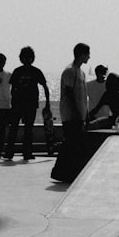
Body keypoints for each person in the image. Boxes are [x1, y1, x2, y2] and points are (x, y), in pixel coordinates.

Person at [51, 43, 91, 183]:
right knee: (70, 143)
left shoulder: (82, 73)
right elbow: (69, 94)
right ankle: (60, 172)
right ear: (81, 54)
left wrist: (86, 114)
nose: (89, 57)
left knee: (75, 144)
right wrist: (75, 113)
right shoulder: (69, 71)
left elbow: (83, 96)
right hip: (71, 115)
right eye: (87, 54)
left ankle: (69, 172)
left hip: (80, 115)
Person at [4, 46, 50, 161]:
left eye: (29, 57)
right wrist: (12, 103)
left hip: (31, 104)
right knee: (13, 128)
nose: (27, 60)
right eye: (25, 57)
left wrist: (48, 103)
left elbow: (45, 86)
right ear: (21, 58)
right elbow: (12, 88)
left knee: (28, 129)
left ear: (32, 58)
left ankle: (27, 153)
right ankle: (9, 152)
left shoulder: (36, 71)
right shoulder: (17, 71)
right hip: (17, 104)